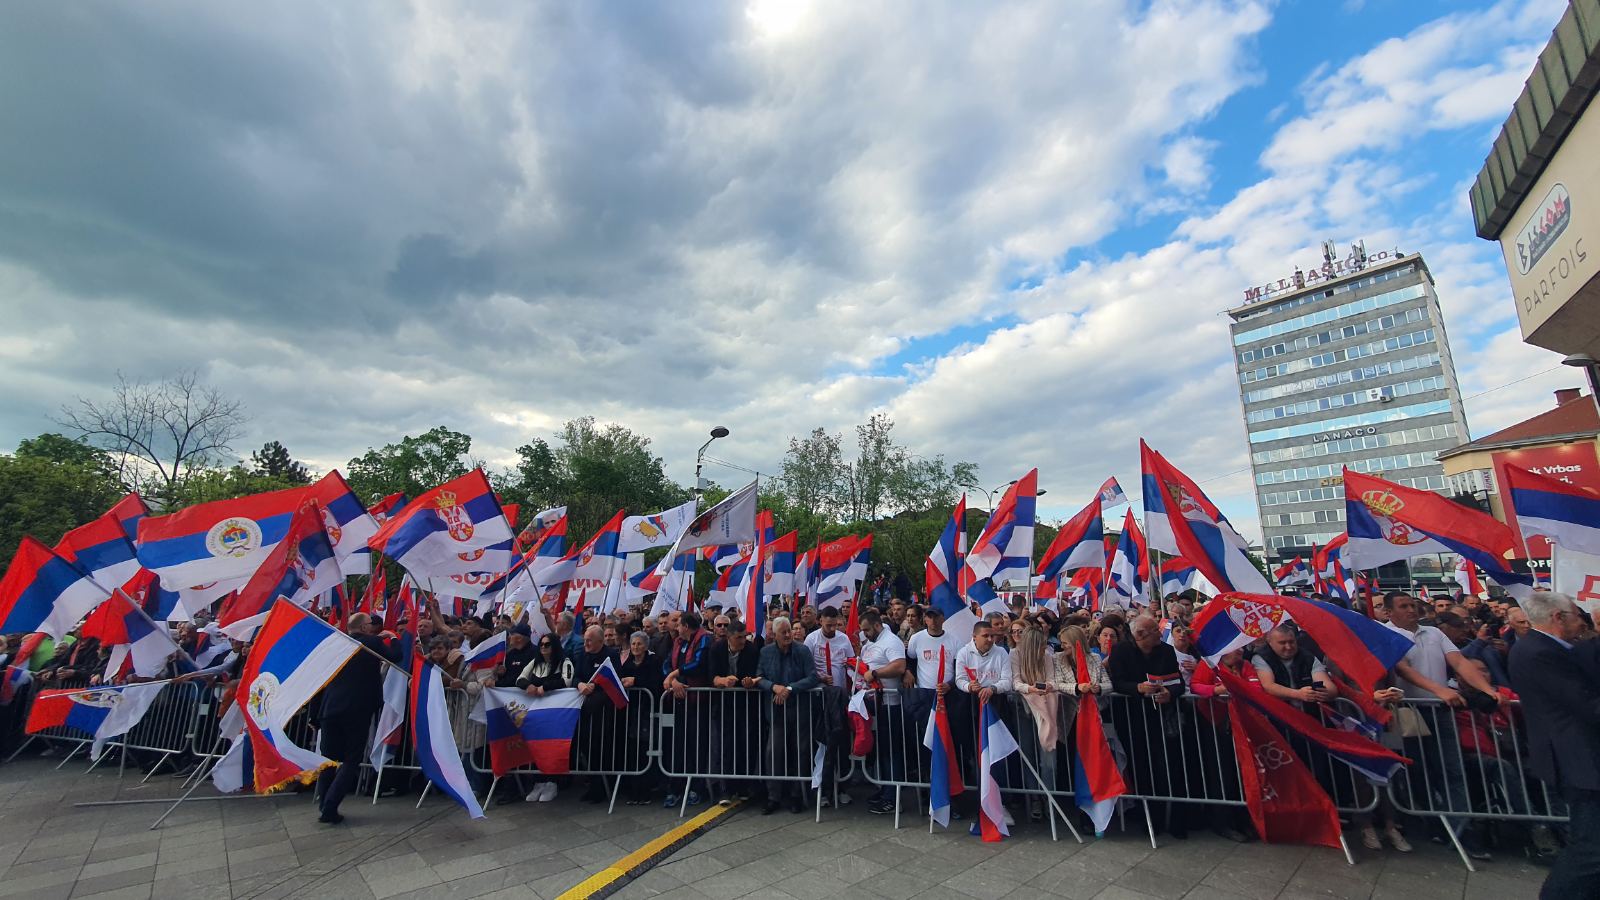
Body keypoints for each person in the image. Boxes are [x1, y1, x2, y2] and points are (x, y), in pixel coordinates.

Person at [1384, 592, 1501, 860]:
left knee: (1453, 770)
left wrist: (1487, 689)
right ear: (1390, 612)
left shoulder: (1434, 633)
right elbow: (1402, 669)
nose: (1411, 610)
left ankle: (1462, 830)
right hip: (1410, 712)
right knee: (1421, 773)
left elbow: (1459, 662)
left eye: (1413, 605)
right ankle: (1434, 824)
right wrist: (1439, 690)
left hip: (1441, 710)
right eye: (1404, 606)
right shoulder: (1385, 633)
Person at [1508, 591, 1600, 898]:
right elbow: (1585, 703)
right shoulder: (1540, 653)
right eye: (1577, 615)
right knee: (1591, 848)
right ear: (1558, 618)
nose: (1581, 621)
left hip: (1578, 757)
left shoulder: (1547, 649)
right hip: (1579, 760)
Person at [313, 613, 400, 825]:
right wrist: (394, 637)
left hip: (331, 708)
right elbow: (395, 657)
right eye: (370, 624)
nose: (373, 627)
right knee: (351, 759)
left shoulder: (338, 644)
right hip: (357, 708)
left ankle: (325, 803)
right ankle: (330, 805)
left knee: (329, 759)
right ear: (363, 627)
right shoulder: (370, 642)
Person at [1108, 614, 1189, 838]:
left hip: (1164, 719)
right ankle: (1151, 819)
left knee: (1172, 769)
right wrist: (1138, 688)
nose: (1160, 633)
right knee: (1143, 771)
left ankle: (1177, 820)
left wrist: (1169, 693)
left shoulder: (1166, 651)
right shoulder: (1121, 651)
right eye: (1155, 630)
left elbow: (1178, 682)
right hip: (1134, 720)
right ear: (1140, 635)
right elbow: (1117, 682)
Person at [756, 617, 818, 814]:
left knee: (800, 752)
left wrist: (790, 689)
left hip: (800, 711)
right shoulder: (766, 652)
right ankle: (773, 796)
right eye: (783, 632)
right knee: (773, 752)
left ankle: (797, 795)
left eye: (789, 630)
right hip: (775, 713)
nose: (788, 635)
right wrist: (774, 687)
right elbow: (759, 677)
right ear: (774, 634)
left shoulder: (802, 650)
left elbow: (812, 676)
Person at [955, 620, 1013, 825]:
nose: (990, 639)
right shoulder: (964, 653)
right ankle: (981, 801)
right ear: (974, 637)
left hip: (995, 703)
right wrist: (969, 687)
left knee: (998, 755)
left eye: (992, 636)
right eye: (986, 636)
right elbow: (959, 678)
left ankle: (1000, 802)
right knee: (977, 754)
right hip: (972, 705)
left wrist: (993, 688)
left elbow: (1008, 680)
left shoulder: (1001, 653)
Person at [1011, 626, 1070, 820]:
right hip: (1024, 710)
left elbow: (1052, 679)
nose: (1044, 648)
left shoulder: (1046, 657)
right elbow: (1015, 682)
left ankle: (1049, 797)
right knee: (1028, 756)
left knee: (1048, 759)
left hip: (1046, 709)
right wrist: (1030, 689)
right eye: (1041, 645)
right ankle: (1035, 797)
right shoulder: (1015, 655)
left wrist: (1046, 687)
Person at [803, 606, 854, 807]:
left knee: (841, 742)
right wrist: (820, 678)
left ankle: (842, 787)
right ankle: (822, 789)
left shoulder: (843, 639)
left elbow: (850, 664)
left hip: (840, 697)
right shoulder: (811, 640)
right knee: (821, 744)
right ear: (820, 621)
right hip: (819, 696)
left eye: (834, 624)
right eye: (828, 624)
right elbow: (806, 668)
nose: (831, 628)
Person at [858, 607, 907, 815]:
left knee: (892, 751)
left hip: (890, 703)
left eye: (867, 630)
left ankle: (893, 797)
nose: (865, 634)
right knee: (882, 751)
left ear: (878, 625)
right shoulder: (871, 643)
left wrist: (875, 673)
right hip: (874, 703)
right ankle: (885, 788)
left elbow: (899, 666)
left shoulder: (891, 641)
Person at [662, 611, 713, 809]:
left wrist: (676, 673)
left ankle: (696, 787)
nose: (676, 627)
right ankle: (675, 787)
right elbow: (666, 663)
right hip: (677, 700)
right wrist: (673, 681)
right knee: (677, 746)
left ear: (686, 625)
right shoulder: (678, 643)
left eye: (678, 624)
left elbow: (698, 663)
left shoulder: (704, 639)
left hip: (697, 702)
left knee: (696, 746)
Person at [515, 633, 574, 802]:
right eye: (541, 644)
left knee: (553, 747)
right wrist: (530, 686)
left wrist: (545, 687)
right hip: (537, 714)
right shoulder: (535, 663)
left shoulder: (565, 662)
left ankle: (552, 781)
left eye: (547, 645)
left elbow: (566, 681)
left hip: (556, 714)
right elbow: (521, 678)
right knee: (536, 746)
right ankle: (538, 781)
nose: (543, 647)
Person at [708, 619, 762, 806]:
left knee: (745, 745)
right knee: (724, 746)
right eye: (739, 637)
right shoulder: (716, 649)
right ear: (730, 637)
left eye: (744, 636)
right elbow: (711, 674)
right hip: (723, 704)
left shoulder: (751, 650)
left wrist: (748, 682)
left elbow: (755, 673)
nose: (743, 640)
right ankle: (725, 789)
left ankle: (743, 786)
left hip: (745, 704)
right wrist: (720, 680)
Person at [568, 625, 622, 803]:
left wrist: (596, 686)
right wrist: (580, 685)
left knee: (601, 748)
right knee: (585, 746)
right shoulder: (582, 655)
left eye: (590, 640)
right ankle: (591, 784)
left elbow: (614, 678)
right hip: (584, 709)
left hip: (603, 711)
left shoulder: (611, 655)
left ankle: (601, 787)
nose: (587, 643)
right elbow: (576, 676)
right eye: (585, 640)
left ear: (600, 641)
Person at [618, 631, 662, 805]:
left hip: (647, 711)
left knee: (645, 749)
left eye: (639, 644)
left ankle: (645, 790)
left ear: (646, 646)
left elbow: (655, 681)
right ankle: (633, 789)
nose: (636, 647)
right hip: (632, 711)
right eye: (633, 644)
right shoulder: (627, 663)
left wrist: (636, 681)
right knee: (632, 750)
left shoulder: (653, 661)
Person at [1252, 625, 1338, 711]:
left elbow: (1327, 684)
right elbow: (1268, 686)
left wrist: (1326, 692)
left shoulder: (1308, 657)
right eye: (1282, 643)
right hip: (1281, 714)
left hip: (1312, 714)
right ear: (1270, 642)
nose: (1288, 647)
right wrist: (1298, 694)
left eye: (1291, 642)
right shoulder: (1261, 658)